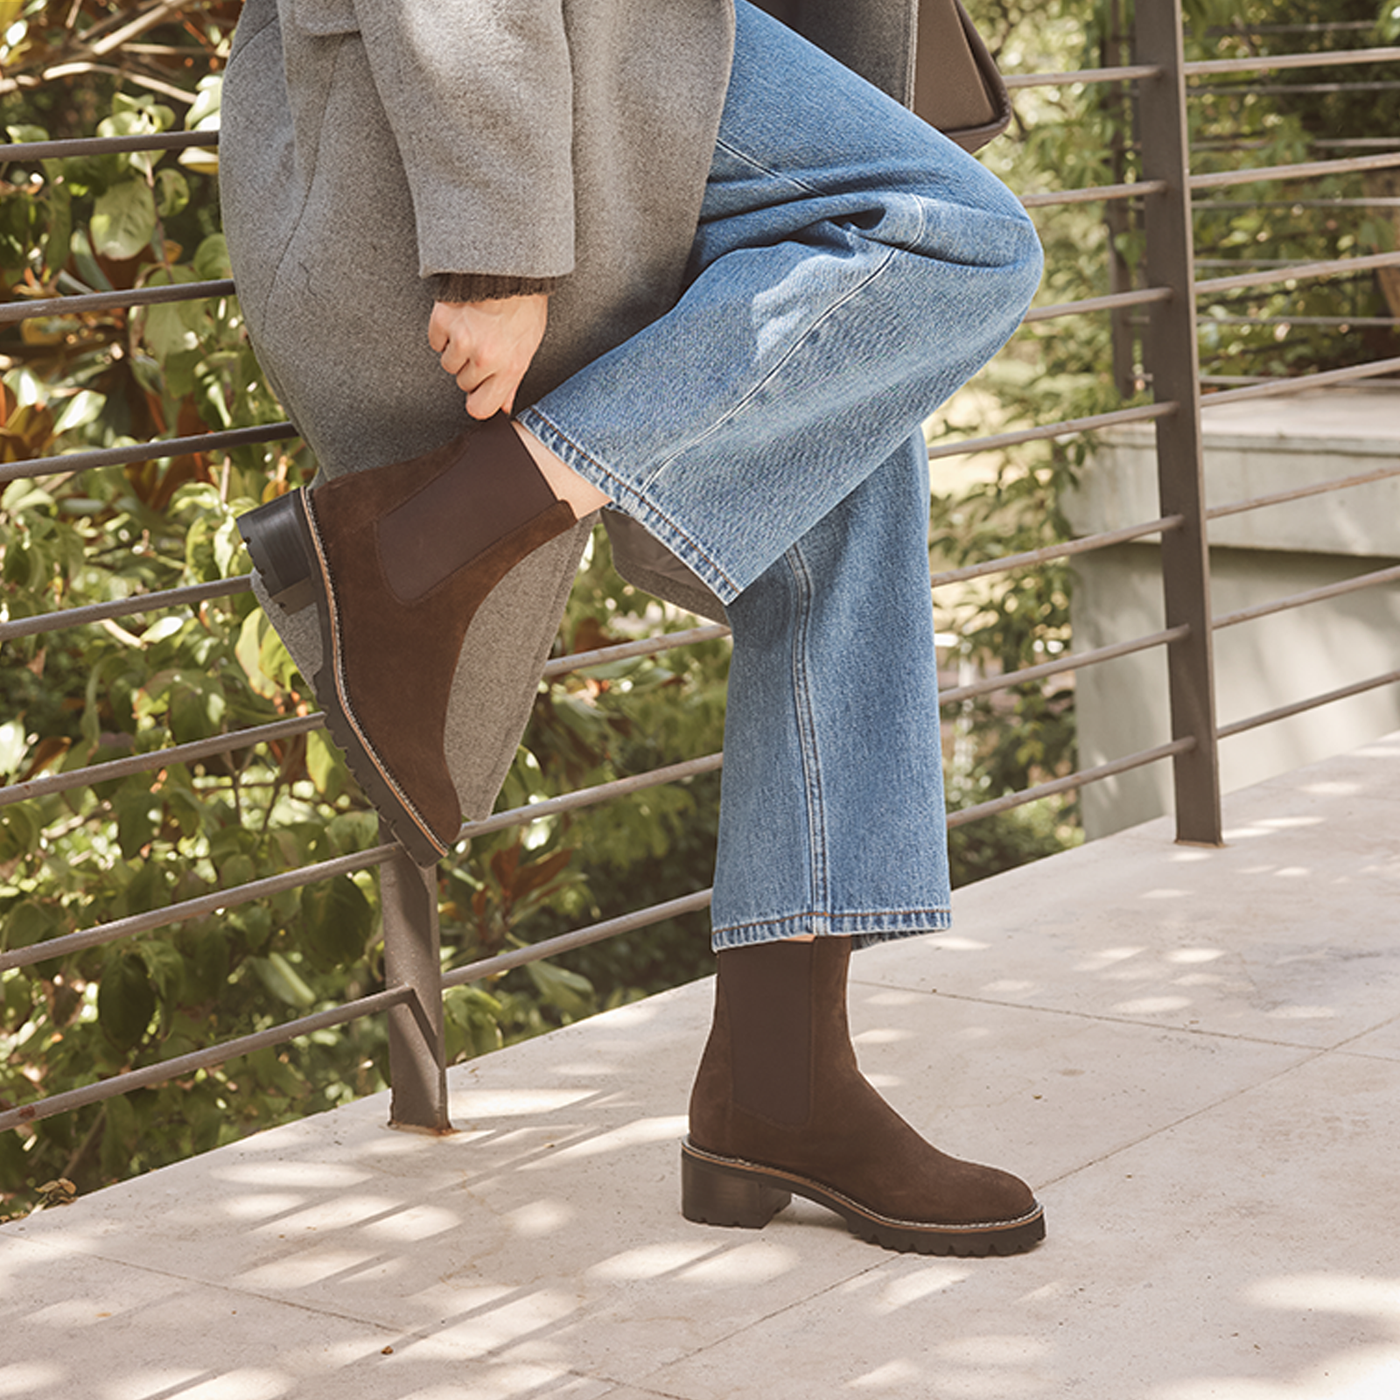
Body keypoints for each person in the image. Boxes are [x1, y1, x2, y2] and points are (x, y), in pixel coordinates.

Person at [220, 0, 1046, 1257]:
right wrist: (491, 233)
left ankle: (783, 1079)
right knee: (955, 238)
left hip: (649, 52)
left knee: (849, 409)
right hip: (487, 98)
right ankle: (429, 544)